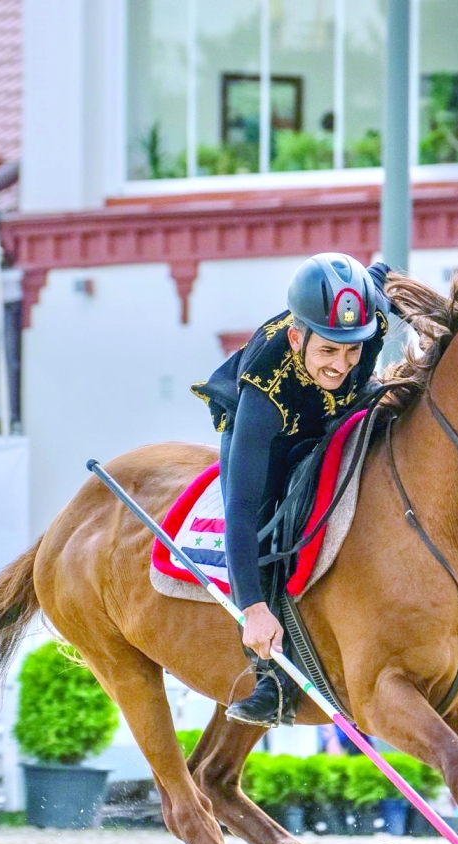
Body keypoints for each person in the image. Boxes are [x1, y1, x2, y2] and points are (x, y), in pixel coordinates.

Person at [191, 252, 392, 727]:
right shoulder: (265, 388)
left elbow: (381, 277)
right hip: (273, 432)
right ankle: (271, 677)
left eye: (352, 350)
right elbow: (239, 509)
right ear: (298, 336)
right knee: (265, 509)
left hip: (334, 414)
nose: (341, 365)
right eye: (328, 351)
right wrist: (252, 610)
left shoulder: (369, 320)